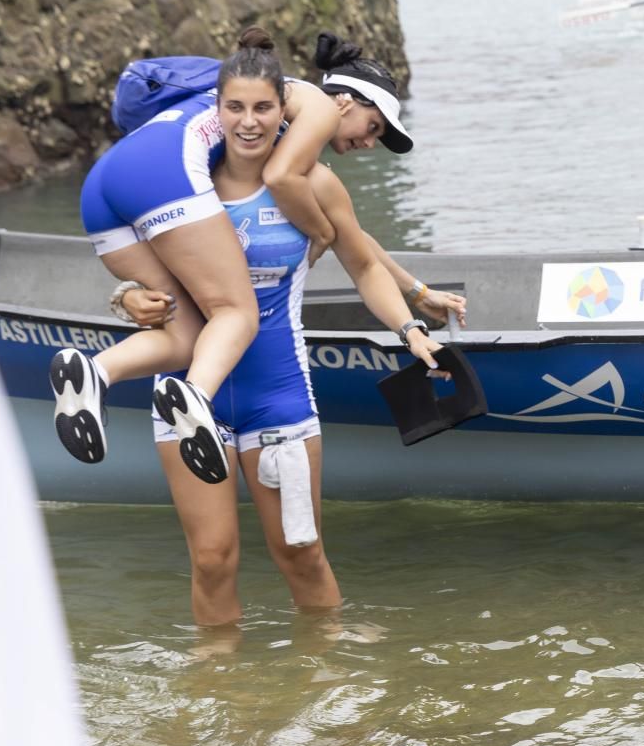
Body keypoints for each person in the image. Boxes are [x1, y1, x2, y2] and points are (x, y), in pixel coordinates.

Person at [109, 31, 448, 624]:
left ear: (280, 108)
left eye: (262, 108)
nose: (249, 122)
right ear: (219, 111)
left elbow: (363, 261)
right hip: (189, 395)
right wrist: (126, 297)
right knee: (212, 560)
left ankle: (327, 686)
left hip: (277, 396)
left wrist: (410, 327)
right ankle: (221, 696)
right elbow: (135, 269)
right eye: (237, 109)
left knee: (302, 553)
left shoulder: (315, 184)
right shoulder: (191, 176)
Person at [54, 28, 414, 474]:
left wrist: (414, 290)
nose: (368, 142)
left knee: (185, 335)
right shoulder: (318, 107)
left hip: (103, 185)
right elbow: (283, 178)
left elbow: (355, 239)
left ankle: (95, 373)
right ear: (344, 102)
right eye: (372, 127)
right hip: (164, 168)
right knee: (237, 312)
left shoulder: (240, 109)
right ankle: (196, 398)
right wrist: (319, 232)